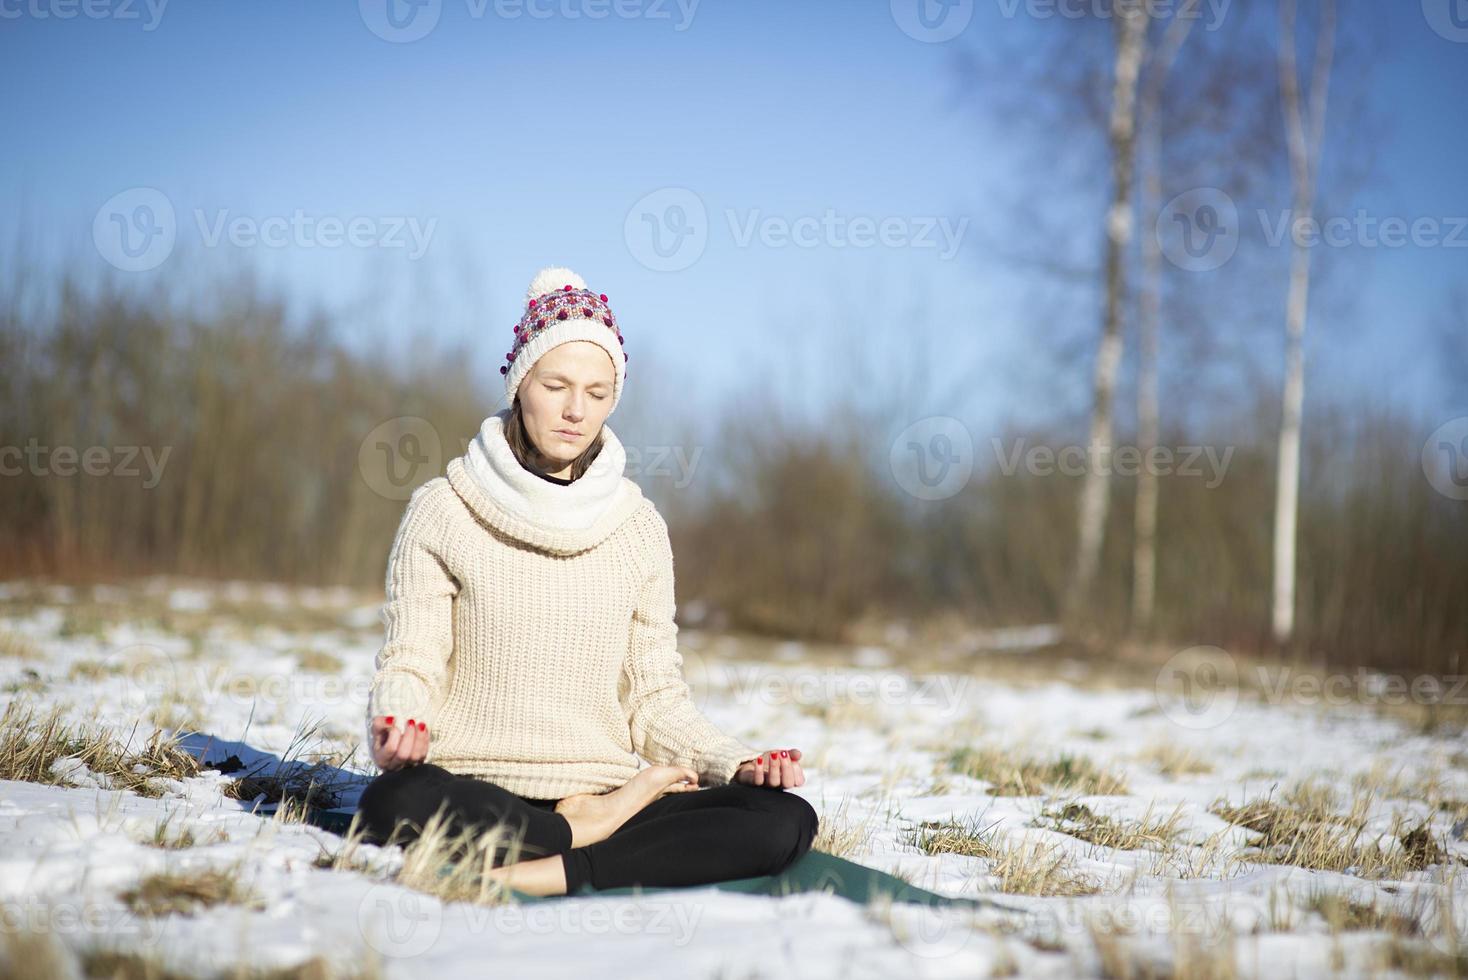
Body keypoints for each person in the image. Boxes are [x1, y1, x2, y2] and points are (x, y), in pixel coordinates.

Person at [357, 266, 819, 897]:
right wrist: (397, 723)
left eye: (598, 393)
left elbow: (654, 696)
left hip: (605, 794)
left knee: (785, 820)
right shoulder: (444, 509)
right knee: (392, 804)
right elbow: (412, 660)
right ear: (522, 383)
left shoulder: (637, 527)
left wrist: (735, 762)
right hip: (473, 785)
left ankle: (563, 862)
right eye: (557, 385)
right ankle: (574, 839)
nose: (577, 410)